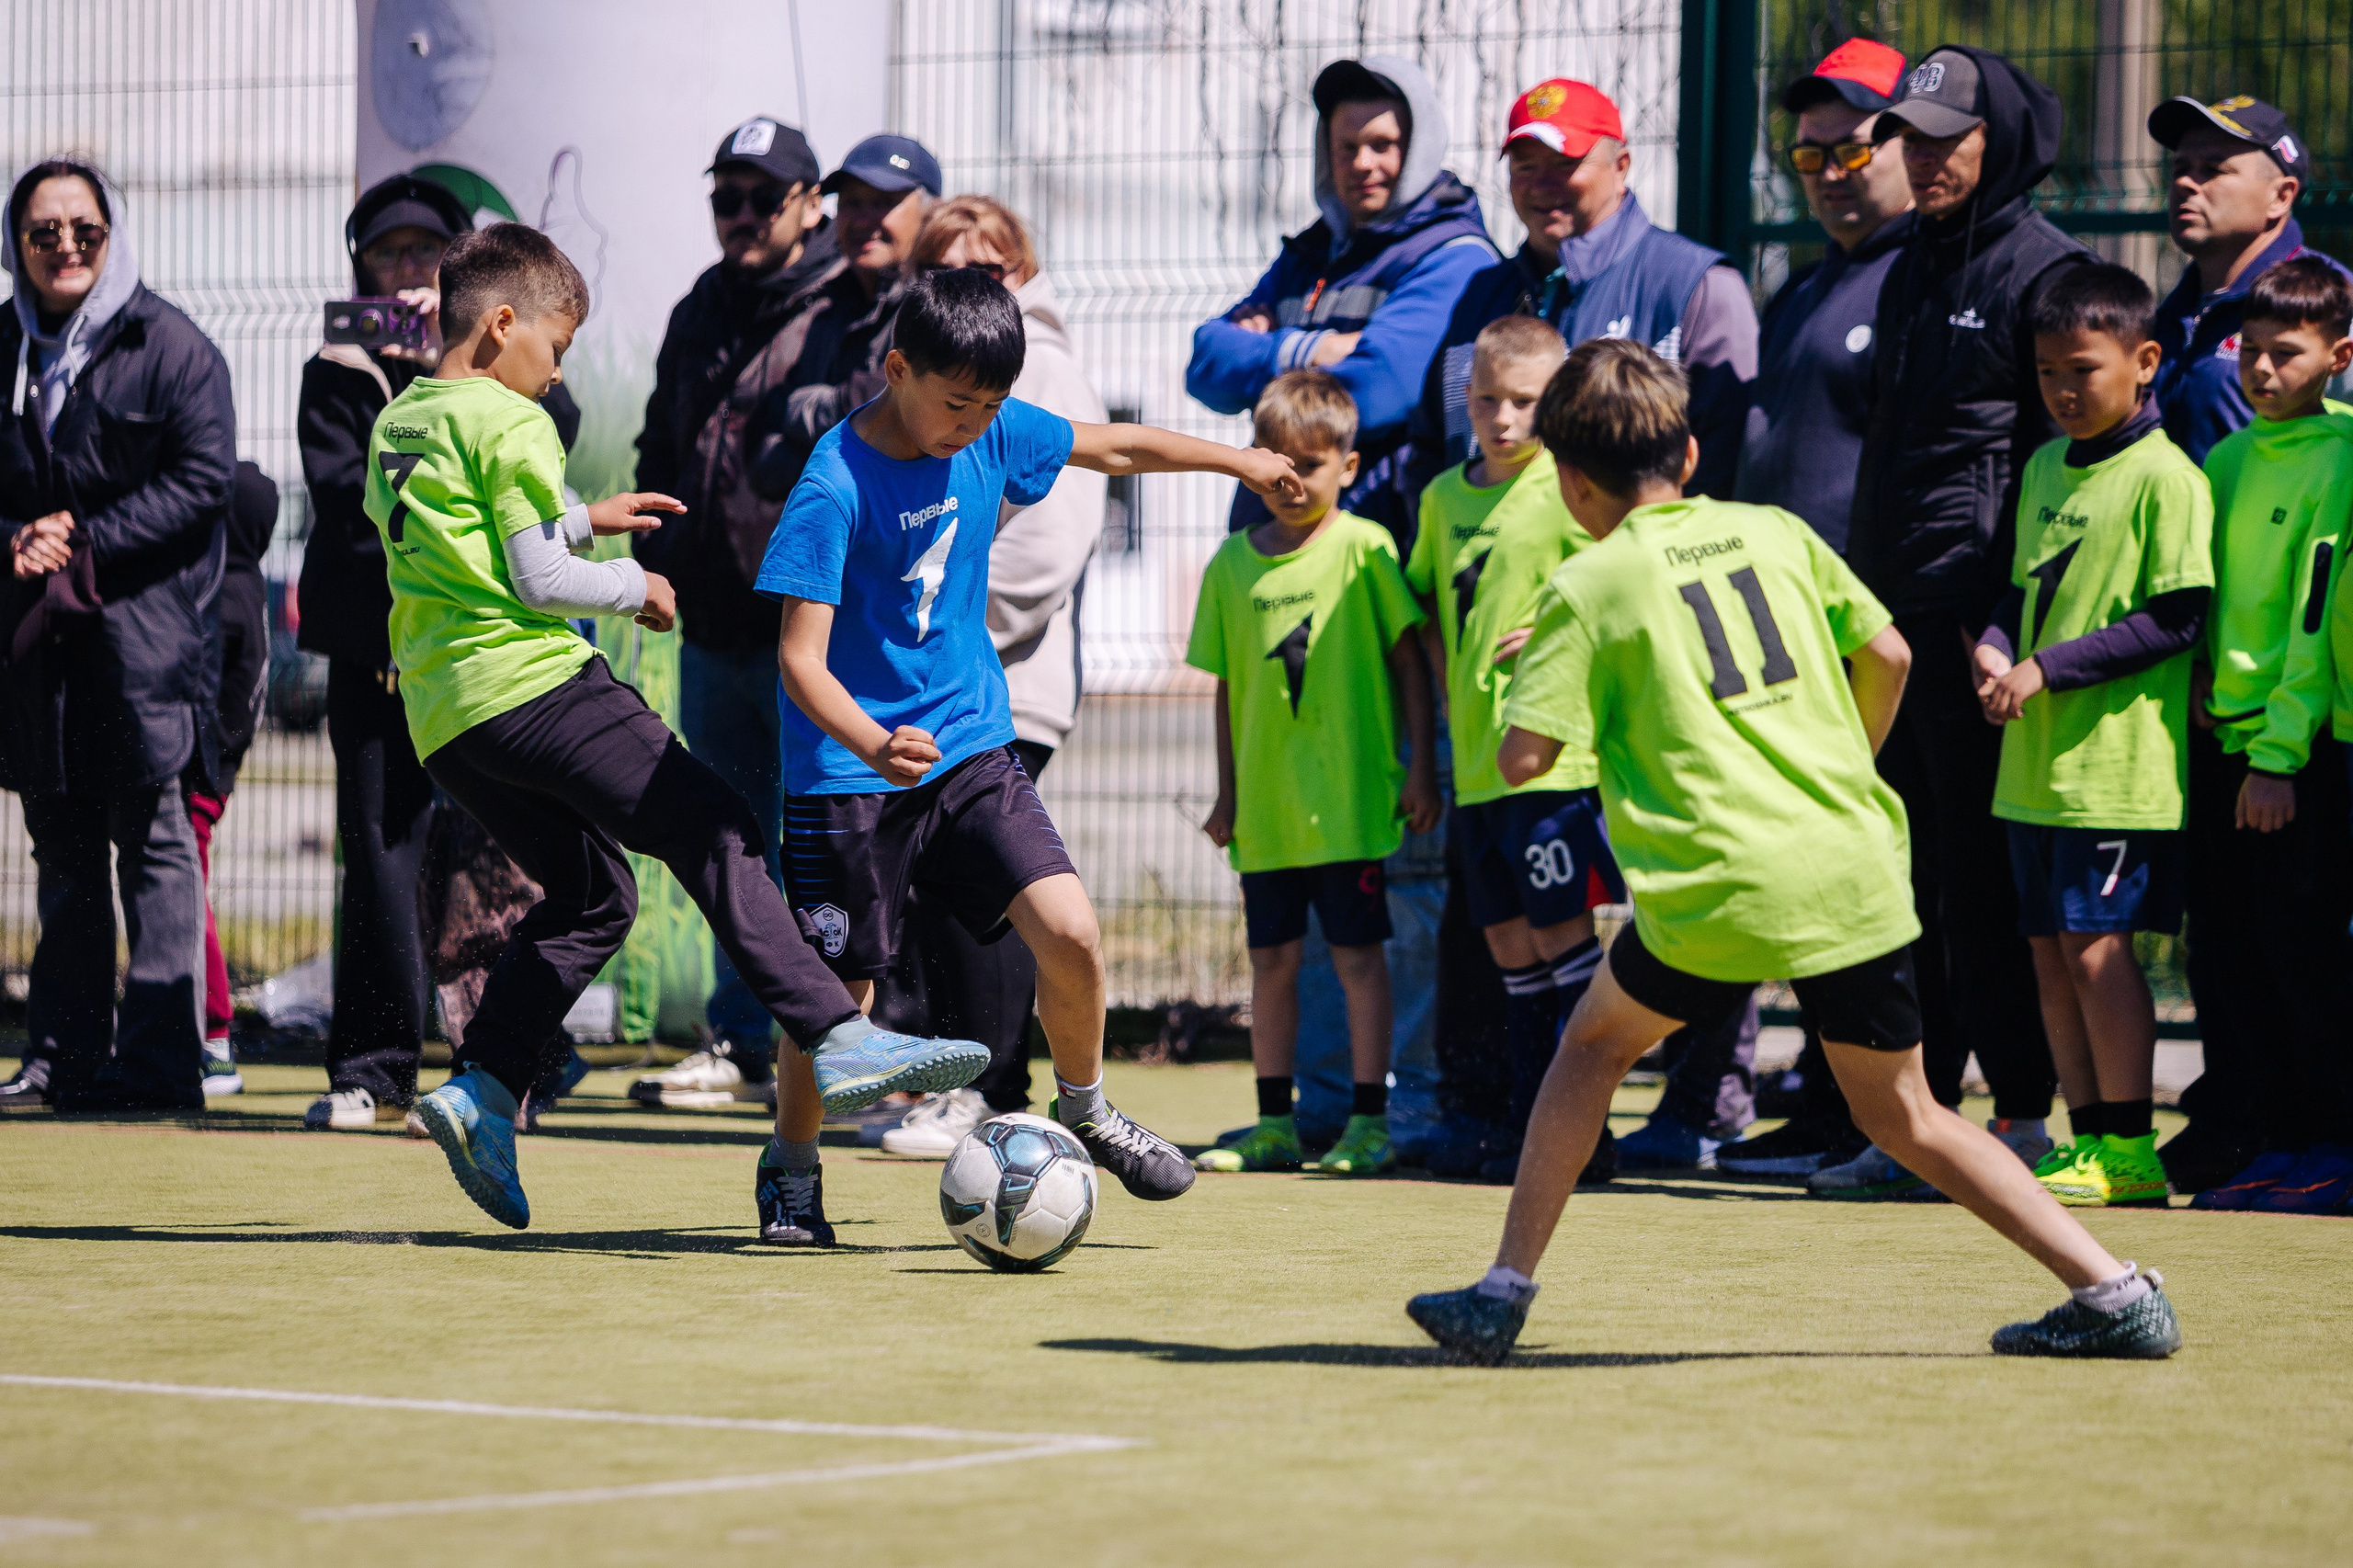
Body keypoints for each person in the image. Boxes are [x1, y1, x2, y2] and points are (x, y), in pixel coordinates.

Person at [1406, 337, 2184, 1365]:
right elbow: (1892, 652)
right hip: (1848, 863)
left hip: (1720, 885)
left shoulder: (1587, 585)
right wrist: (1842, 768)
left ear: (1570, 481)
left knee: (1588, 1049)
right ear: (1687, 456)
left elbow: (1521, 758)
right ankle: (2115, 1286)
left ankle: (1501, 1291)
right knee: (1908, 1113)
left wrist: (1548, 666)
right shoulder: (1773, 529)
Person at [375, 223, 983, 1230]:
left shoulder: (405, 419)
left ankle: (480, 1086)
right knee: (718, 823)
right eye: (557, 347)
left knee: (590, 895)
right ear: (501, 325)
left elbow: (457, 540)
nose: (557, 368)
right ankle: (839, 1031)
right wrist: (633, 585)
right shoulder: (515, 421)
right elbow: (534, 581)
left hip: (447, 718)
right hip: (532, 683)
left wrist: (581, 516)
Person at [753, 267, 1307, 1239]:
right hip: (851, 773)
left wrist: (1241, 462)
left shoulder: (998, 429)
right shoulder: (832, 481)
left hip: (969, 745)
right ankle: (791, 1166)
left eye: (992, 406)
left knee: (1074, 931)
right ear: (896, 369)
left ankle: (1086, 1109)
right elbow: (799, 661)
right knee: (839, 998)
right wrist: (873, 740)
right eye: (956, 403)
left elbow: (1119, 446)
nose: (974, 425)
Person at [1829, 46, 2089, 1198]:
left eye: (1945, 136)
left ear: (2004, 141)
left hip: (1980, 630)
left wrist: (2001, 623)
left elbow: (2053, 473)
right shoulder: (1909, 266)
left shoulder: (2048, 270)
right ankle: (1916, 1124)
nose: (1920, 157)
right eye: (1910, 137)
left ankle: (2023, 1118)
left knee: (1984, 887)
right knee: (1907, 881)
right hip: (1892, 618)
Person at [295, 172, 582, 1132]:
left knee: (503, 867)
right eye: (388, 252)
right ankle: (371, 1070)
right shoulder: (337, 373)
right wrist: (416, 379)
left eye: (426, 251)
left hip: (489, 664)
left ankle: (499, 1071)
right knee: (378, 857)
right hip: (376, 656)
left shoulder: (517, 379)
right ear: (361, 268)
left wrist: (451, 367)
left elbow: (552, 450)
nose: (406, 268)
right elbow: (360, 510)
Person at [1972, 264, 2211, 1211]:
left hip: (2114, 774)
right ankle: (2085, 1141)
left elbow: (2178, 616)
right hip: (2032, 769)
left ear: (2144, 362)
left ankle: (2130, 1150)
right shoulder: (2039, 466)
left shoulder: (2167, 476)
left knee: (2096, 949)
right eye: (2045, 372)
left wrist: (2045, 668)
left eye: (2083, 368)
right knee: (2047, 952)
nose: (2063, 390)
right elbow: (2016, 590)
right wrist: (1995, 646)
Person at [0, 157, 235, 1115]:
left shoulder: (174, 345)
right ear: (17, 246)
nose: (64, 247)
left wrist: (82, 542)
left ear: (112, 235)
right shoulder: (2, 347)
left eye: (84, 231)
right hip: (36, 652)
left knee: (155, 846)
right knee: (61, 853)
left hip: (144, 646)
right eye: (43, 232)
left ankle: (159, 1063)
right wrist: (15, 540)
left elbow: (205, 478)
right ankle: (62, 1055)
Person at [1718, 40, 1915, 1177]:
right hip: (1790, 648)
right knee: (1812, 875)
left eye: (1854, 145)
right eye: (1809, 152)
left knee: (1879, 876)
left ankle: (1890, 1118)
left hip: (1876, 643)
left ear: (1908, 144)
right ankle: (1834, 1105)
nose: (1831, 169)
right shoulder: (1803, 286)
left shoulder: (1916, 280)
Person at [877, 196, 1110, 1157]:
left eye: (990, 266)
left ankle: (991, 1090)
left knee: (989, 887)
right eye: (949, 268)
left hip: (1005, 684)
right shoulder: (930, 375)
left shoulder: (1042, 373)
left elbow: (1049, 547)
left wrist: (936, 644)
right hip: (943, 690)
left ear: (1023, 272)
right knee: (958, 887)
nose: (975, 283)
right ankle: (986, 1087)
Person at [626, 116, 839, 1110]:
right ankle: (741, 1038)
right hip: (711, 629)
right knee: (726, 841)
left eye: (763, 197)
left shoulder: (850, 305)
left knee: (821, 846)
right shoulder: (699, 307)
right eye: (726, 198)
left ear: (809, 203)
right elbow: (656, 444)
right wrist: (655, 549)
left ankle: (828, 1038)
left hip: (811, 634)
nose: (742, 216)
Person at [1188, 370, 1438, 1176]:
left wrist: (1419, 770)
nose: (1294, 482)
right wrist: (1227, 794)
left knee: (1361, 961)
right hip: (1267, 815)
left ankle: (1370, 1120)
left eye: (1314, 465)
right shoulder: (1228, 564)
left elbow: (1411, 662)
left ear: (1350, 467)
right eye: (1279, 463)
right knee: (1272, 964)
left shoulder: (1367, 549)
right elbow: (1227, 687)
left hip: (1352, 806)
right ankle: (1273, 1124)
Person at [1403, 316, 1627, 1183]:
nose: (1503, 417)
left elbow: (1619, 585)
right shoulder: (1440, 499)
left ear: (1556, 405)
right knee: (1508, 948)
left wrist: (1552, 625)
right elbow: (1425, 621)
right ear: (1467, 398)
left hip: (1555, 762)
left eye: (1524, 402)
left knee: (1565, 943)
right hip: (1479, 771)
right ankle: (1539, 1129)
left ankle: (1588, 1139)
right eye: (1488, 398)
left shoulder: (1572, 489)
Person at [2188, 257, 2353, 1211]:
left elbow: (2314, 617)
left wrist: (2278, 757)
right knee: (2234, 956)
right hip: (2224, 749)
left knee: (2303, 957)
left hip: (2288, 761)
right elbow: (2212, 599)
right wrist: (2205, 678)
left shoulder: (2342, 458)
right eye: (2248, 352)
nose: (2258, 371)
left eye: (2282, 355)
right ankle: (2271, 1138)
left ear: (2337, 354)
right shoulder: (2225, 457)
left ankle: (2330, 1140)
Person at [1404, 77, 1757, 511]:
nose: (1542, 184)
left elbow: (1729, 462)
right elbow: (1430, 445)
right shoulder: (1481, 295)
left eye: (1564, 164)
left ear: (1622, 165)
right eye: (1526, 166)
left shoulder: (1695, 285)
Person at [1188, 54, 1495, 538]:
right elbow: (1206, 366)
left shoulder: (1455, 257)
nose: (1361, 164)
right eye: (1345, 146)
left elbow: (1375, 390)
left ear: (1418, 147)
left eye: (1382, 145)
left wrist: (1264, 353)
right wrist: (1313, 349)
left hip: (1375, 552)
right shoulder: (1311, 254)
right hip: (1270, 545)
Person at [2148, 95, 2353, 467]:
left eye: (2213, 169)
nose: (2185, 182)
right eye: (2180, 166)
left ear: (2281, 196)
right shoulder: (2171, 309)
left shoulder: (2333, 304)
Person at [746, 135, 941, 505]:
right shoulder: (822, 307)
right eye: (852, 203)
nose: (863, 221)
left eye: (884, 203)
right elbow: (764, 461)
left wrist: (808, 410)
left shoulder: (937, 308)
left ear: (930, 213)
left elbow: (900, 419)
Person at [187, 460, 279, 1096]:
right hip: (211, 771)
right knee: (184, 891)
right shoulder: (250, 587)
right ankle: (200, 1031)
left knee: (184, 898)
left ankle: (213, 1037)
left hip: (198, 771)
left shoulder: (225, 596)